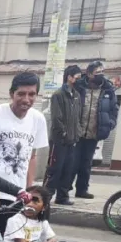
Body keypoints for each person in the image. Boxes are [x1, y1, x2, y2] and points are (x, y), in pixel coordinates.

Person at [0, 72, 49, 206]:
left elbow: (32, 157)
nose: (26, 99)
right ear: (12, 94)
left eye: (32, 94)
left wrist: (28, 191)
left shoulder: (38, 119)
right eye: (21, 94)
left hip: (17, 194)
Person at [72, 61, 118, 199]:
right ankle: (64, 189)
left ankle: (82, 190)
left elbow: (113, 110)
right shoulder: (79, 87)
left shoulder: (108, 90)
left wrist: (109, 124)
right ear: (89, 74)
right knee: (72, 163)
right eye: (97, 73)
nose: (100, 75)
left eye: (102, 72)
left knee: (86, 164)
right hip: (77, 133)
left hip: (93, 133)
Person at [44, 64, 83, 206]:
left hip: (72, 140)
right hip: (59, 140)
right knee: (55, 168)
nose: (79, 79)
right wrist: (64, 133)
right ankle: (45, 196)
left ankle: (62, 196)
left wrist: (77, 133)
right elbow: (57, 118)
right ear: (69, 77)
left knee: (68, 169)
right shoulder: (58, 95)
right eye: (77, 77)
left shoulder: (77, 96)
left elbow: (78, 117)